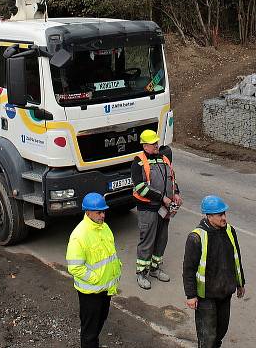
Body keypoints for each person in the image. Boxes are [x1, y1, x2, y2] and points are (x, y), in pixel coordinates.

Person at [183, 195, 246, 348]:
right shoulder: (196, 237)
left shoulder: (230, 231)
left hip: (225, 292)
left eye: (224, 213)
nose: (224, 218)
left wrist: (240, 283)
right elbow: (188, 269)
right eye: (220, 215)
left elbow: (236, 259)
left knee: (221, 330)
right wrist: (191, 296)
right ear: (209, 216)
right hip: (206, 296)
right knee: (207, 336)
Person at [66, 192, 122, 348]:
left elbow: (110, 253)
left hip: (105, 289)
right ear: (88, 212)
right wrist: (96, 278)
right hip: (91, 293)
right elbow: (75, 267)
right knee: (89, 332)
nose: (103, 215)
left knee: (100, 322)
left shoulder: (104, 228)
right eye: (99, 212)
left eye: (104, 211)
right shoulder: (79, 235)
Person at [131, 129, 181, 290]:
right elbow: (140, 188)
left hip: (164, 209)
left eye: (156, 142)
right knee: (147, 241)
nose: (156, 145)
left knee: (161, 239)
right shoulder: (138, 161)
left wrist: (176, 193)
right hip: (148, 209)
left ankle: (155, 269)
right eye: (153, 143)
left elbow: (171, 179)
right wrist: (162, 198)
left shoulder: (164, 158)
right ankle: (142, 273)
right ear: (145, 145)